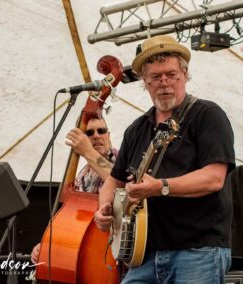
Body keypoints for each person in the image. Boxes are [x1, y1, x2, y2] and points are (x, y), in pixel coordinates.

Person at [94, 35, 235, 283]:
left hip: (197, 251)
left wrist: (159, 187)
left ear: (185, 75)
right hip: (143, 255)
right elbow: (113, 182)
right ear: (144, 82)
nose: (164, 83)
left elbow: (214, 178)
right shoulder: (136, 129)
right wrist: (105, 211)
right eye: (156, 77)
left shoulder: (207, 115)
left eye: (171, 75)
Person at [31, 117, 117, 264]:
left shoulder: (119, 160)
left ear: (108, 135)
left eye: (101, 131)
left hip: (111, 253)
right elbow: (71, 222)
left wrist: (88, 151)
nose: (96, 135)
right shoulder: (82, 176)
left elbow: (117, 180)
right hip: (88, 253)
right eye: (89, 133)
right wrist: (48, 244)